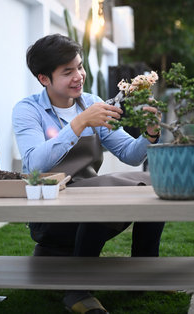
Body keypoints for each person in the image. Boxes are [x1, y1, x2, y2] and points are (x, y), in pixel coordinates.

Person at [12, 34, 164, 314]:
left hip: (91, 203)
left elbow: (130, 155)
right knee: (100, 195)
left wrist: (150, 135)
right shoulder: (28, 110)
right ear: (44, 78)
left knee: (156, 184)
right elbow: (34, 164)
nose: (79, 76)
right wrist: (80, 123)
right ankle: (77, 292)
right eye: (68, 71)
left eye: (80, 67)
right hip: (50, 210)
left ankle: (146, 271)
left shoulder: (90, 102)